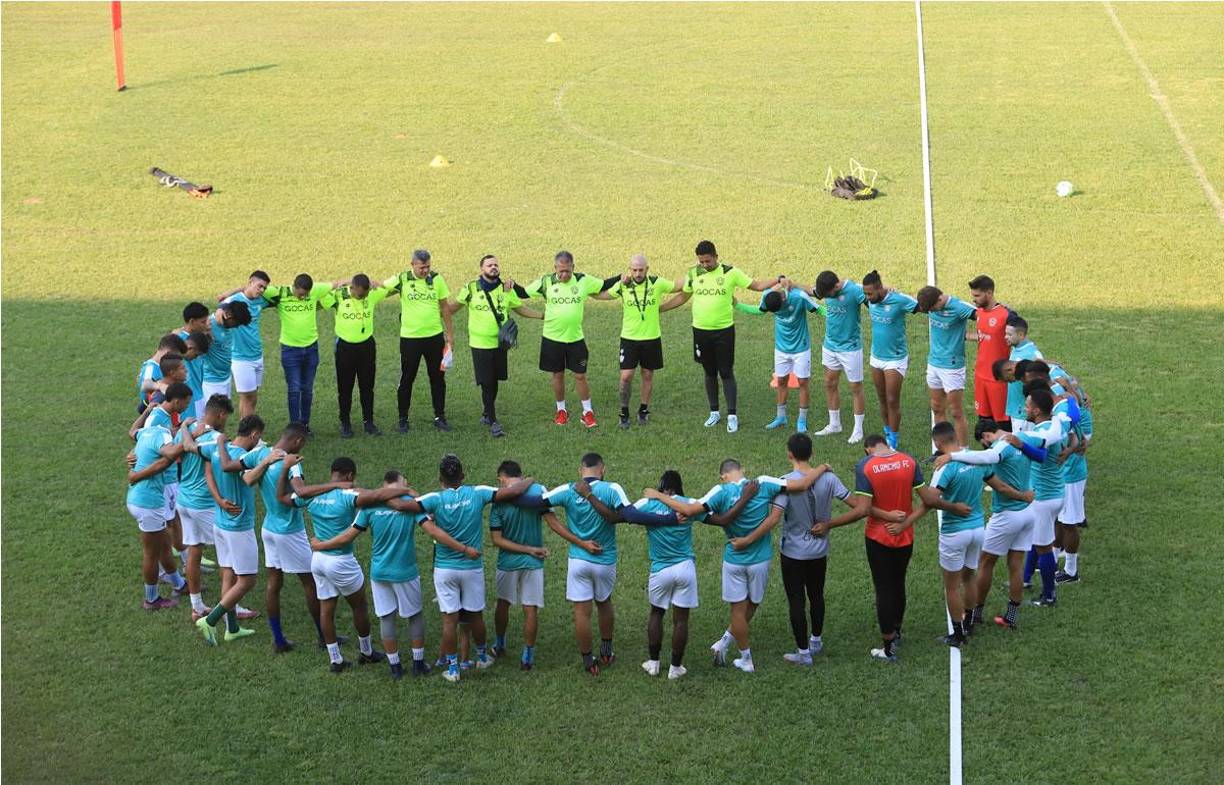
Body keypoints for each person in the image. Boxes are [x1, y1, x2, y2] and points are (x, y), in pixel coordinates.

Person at [648, 460, 829, 674]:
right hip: (760, 559)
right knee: (751, 604)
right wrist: (823, 468)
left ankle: (744, 657)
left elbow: (688, 509)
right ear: (741, 469)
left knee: (737, 611)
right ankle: (728, 646)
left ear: (722, 476)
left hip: (734, 558)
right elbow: (802, 484)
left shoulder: (720, 491)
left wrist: (659, 495)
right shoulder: (762, 482)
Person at [382, 454, 536, 683]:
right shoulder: (477, 493)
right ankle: (482, 657)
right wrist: (530, 480)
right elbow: (513, 492)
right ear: (463, 476)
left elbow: (398, 505)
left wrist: (400, 492)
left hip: (445, 569)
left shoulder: (433, 499)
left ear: (439, 478)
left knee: (449, 621)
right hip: (471, 568)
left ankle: (453, 668)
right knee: (476, 617)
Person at [814, 436, 950, 662]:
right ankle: (896, 631)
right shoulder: (908, 461)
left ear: (868, 449)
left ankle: (887, 648)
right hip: (905, 536)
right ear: (885, 444)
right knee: (898, 582)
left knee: (884, 588)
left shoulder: (865, 466)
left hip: (878, 537)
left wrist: (829, 524)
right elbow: (928, 500)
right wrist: (907, 521)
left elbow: (862, 510)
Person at [580, 471, 719, 680]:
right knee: (681, 620)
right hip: (685, 568)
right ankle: (676, 667)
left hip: (660, 570)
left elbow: (625, 516)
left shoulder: (647, 502)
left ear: (661, 487)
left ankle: (653, 664)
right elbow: (713, 517)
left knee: (656, 613)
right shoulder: (688, 503)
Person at [905, 422, 1031, 646]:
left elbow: (930, 500)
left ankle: (958, 634)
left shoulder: (945, 467)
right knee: (969, 576)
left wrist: (908, 520)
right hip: (977, 529)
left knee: (952, 586)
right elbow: (1000, 487)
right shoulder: (975, 459)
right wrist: (1024, 496)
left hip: (955, 532)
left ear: (937, 442)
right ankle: (970, 622)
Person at [308, 470, 433, 679]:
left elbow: (348, 536)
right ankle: (418, 664)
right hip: (405, 571)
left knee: (386, 617)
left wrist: (321, 545)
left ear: (384, 485)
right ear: (402, 483)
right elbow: (431, 524)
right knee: (415, 615)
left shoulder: (370, 506)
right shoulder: (412, 503)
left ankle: (395, 667)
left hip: (379, 572)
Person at [281, 456, 391, 671]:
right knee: (359, 605)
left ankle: (335, 659)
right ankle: (367, 651)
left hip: (318, 562)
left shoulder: (312, 496)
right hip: (341, 560)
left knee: (326, 609)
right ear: (350, 476)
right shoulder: (348, 495)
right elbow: (377, 496)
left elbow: (283, 498)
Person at [530, 453, 633, 675]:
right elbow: (627, 513)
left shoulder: (568, 489)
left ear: (580, 471)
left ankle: (588, 661)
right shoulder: (611, 488)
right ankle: (606, 652)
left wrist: (579, 542)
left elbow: (538, 504)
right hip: (605, 559)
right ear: (602, 469)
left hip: (578, 560)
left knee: (581, 612)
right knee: (604, 603)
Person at [662, 240, 779, 433]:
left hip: (724, 331)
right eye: (702, 262)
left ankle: (732, 415)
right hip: (700, 331)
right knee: (709, 372)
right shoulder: (694, 273)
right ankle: (714, 412)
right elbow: (683, 296)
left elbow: (757, 286)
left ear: (716, 256)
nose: (705, 265)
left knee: (725, 372)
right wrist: (660, 309)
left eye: (708, 261)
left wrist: (778, 278)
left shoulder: (730, 272)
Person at [933, 418, 1036, 630]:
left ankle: (976, 614)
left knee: (985, 563)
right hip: (1028, 513)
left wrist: (951, 456)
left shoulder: (1000, 448)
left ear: (988, 435)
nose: (986, 445)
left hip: (1008, 514)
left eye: (985, 441)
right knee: (1016, 564)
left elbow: (990, 466)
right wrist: (1026, 497)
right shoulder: (1022, 440)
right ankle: (1011, 617)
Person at [240, 423, 332, 653]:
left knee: (274, 583)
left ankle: (279, 640)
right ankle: (324, 637)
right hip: (290, 531)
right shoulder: (292, 463)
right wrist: (333, 486)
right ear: (298, 441)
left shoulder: (262, 453)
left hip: (269, 528)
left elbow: (236, 469)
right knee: (309, 582)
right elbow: (300, 491)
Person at [773, 433, 854, 665]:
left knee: (796, 600)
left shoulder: (785, 481)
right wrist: (828, 524)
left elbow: (775, 516)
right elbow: (857, 506)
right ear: (812, 453)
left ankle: (803, 653)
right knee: (817, 595)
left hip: (793, 553)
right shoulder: (829, 479)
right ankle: (816, 640)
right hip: (819, 552)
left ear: (789, 454)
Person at [447, 254, 543, 437]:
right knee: (487, 382)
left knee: (495, 380)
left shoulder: (505, 289)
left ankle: (486, 413)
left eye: (496, 265)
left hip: (500, 344)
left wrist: (541, 316)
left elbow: (519, 308)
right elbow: (453, 308)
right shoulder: (471, 289)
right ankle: (493, 420)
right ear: (481, 269)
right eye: (489, 265)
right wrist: (437, 311)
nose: (493, 267)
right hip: (479, 344)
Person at [194, 415, 267, 644]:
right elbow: (248, 479)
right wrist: (265, 462)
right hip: (239, 526)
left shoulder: (218, 448)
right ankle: (211, 620)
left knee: (229, 573)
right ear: (254, 434)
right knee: (247, 580)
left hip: (221, 522)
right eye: (260, 437)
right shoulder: (244, 457)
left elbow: (192, 452)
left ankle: (232, 628)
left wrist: (218, 500)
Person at [522, 251, 611, 428]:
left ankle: (587, 412)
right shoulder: (545, 282)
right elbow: (523, 293)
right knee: (558, 375)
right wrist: (508, 286)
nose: (564, 275)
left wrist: (623, 278)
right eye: (560, 271)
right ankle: (561, 410)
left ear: (573, 268)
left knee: (580, 375)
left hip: (575, 339)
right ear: (555, 268)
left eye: (567, 271)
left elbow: (604, 284)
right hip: (552, 339)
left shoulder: (582, 280)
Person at [125, 385, 194, 610]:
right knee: (151, 552)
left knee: (164, 544)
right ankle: (151, 599)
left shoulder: (147, 430)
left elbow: (133, 432)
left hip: (138, 498)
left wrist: (146, 412)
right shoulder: (163, 433)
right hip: (149, 501)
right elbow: (169, 456)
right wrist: (186, 432)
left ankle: (180, 584)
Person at [594, 254, 682, 429]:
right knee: (626, 377)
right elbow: (601, 295)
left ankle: (643, 409)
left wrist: (696, 273)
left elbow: (679, 286)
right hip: (629, 339)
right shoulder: (623, 286)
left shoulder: (657, 283)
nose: (638, 273)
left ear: (647, 269)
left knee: (648, 375)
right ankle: (624, 411)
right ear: (629, 270)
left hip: (651, 338)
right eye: (634, 270)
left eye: (641, 270)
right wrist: (587, 287)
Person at [1000, 387, 1068, 608]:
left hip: (1043, 498)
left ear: (1037, 410)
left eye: (1027, 406)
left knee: (1043, 546)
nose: (1024, 408)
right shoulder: (1056, 424)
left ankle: (1049, 595)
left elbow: (1040, 453)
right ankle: (1026, 579)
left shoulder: (1037, 435)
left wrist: (1015, 440)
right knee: (1037, 539)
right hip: (1055, 492)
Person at [488, 460, 554, 670]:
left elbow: (496, 540)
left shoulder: (499, 497)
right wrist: (531, 549)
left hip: (507, 562)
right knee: (530, 609)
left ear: (502, 477)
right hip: (533, 562)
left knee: (503, 603)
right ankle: (528, 656)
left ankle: (499, 644)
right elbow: (550, 517)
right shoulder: (538, 489)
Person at [174, 394, 232, 620]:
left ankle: (197, 606)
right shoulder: (216, 439)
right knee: (228, 555)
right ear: (221, 414)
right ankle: (230, 610)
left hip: (184, 501)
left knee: (194, 551)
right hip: (204, 503)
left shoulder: (185, 431)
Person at [736, 284, 823, 432]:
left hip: (801, 348)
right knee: (781, 380)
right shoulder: (768, 296)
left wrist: (838, 313)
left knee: (803, 382)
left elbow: (819, 309)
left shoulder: (799, 297)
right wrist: (737, 305)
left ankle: (802, 420)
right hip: (781, 349)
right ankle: (781, 417)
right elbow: (759, 310)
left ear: (783, 298)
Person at [385, 249, 455, 433]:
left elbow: (445, 308)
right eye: (422, 267)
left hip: (434, 338)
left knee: (438, 378)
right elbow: (381, 288)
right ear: (412, 265)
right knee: (407, 378)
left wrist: (449, 335)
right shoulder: (402, 279)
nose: (425, 271)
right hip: (410, 339)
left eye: (428, 267)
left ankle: (440, 416)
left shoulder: (437, 279)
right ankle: (403, 419)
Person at [264, 273, 341, 433]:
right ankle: (294, 426)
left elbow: (337, 283)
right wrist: (226, 295)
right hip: (290, 350)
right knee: (294, 389)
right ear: (295, 287)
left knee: (307, 389)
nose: (303, 297)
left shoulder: (315, 291)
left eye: (306, 294)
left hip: (311, 348)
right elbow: (252, 288)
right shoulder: (280, 293)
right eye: (301, 294)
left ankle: (304, 424)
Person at [321, 274, 393, 438]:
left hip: (366, 346)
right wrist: (339, 283)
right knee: (345, 388)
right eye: (360, 294)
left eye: (365, 293)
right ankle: (345, 423)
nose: (363, 297)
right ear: (352, 288)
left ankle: (369, 422)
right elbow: (320, 295)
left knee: (367, 387)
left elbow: (388, 288)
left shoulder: (371, 294)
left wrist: (377, 282)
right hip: (345, 347)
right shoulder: (339, 296)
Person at [862, 270, 918, 449]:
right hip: (876, 357)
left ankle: (893, 440)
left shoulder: (899, 300)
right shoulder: (871, 300)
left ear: (880, 288)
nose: (867, 297)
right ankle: (887, 432)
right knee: (882, 399)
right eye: (865, 294)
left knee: (892, 399)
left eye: (870, 293)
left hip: (895, 359)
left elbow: (921, 306)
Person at [915, 285, 977, 445]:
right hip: (933, 364)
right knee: (937, 408)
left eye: (933, 308)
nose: (931, 312)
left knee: (956, 412)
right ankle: (942, 448)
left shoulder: (959, 307)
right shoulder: (930, 306)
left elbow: (984, 315)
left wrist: (978, 336)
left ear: (940, 299)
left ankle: (964, 451)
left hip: (952, 367)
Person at [812, 270, 868, 443]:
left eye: (829, 294)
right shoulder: (826, 288)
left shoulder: (855, 290)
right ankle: (834, 424)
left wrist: (889, 289)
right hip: (830, 346)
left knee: (855, 388)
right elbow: (810, 290)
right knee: (830, 383)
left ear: (836, 286)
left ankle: (858, 429)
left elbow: (874, 297)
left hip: (850, 348)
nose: (828, 297)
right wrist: (791, 283)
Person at [218, 271, 272, 418]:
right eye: (259, 286)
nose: (261, 290)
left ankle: (247, 431)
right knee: (248, 398)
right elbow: (219, 304)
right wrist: (235, 290)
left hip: (257, 355)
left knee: (252, 398)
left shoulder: (261, 301)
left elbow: (280, 296)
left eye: (264, 288)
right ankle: (246, 434)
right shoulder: (233, 301)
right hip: (241, 358)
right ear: (250, 282)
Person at [1055, 396, 1093, 584]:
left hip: (1071, 476)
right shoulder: (1066, 407)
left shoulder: (1061, 416)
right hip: (1065, 474)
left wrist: (1071, 450)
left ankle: (1071, 571)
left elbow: (1076, 441)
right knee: (1058, 520)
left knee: (1068, 523)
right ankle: (1051, 561)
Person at [967, 275, 1012, 427]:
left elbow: (1019, 338)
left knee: (1002, 424)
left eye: (977, 296)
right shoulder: (979, 312)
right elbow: (985, 336)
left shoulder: (1006, 315)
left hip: (998, 380)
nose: (974, 299)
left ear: (989, 293)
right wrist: (965, 336)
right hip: (980, 376)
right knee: (984, 424)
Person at [201, 300, 253, 402]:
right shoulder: (208, 327)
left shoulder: (226, 322)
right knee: (213, 415)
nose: (237, 326)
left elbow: (225, 303)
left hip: (226, 378)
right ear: (228, 315)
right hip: (211, 381)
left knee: (223, 414)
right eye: (237, 323)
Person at [1003, 315, 1043, 431]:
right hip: (1016, 410)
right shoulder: (1017, 347)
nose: (1006, 337)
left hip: (1025, 414)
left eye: (1009, 335)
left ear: (1021, 335)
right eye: (1005, 333)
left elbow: (1042, 383)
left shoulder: (1032, 355)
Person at [175, 302, 212, 419]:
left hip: (199, 392)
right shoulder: (179, 341)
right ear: (191, 321)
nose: (207, 325)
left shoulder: (200, 338)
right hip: (188, 396)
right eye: (203, 322)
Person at [135, 334, 188, 412]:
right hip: (152, 413)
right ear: (168, 353)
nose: (177, 360)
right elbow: (145, 385)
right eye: (176, 356)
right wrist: (161, 386)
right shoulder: (150, 367)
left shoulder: (159, 365)